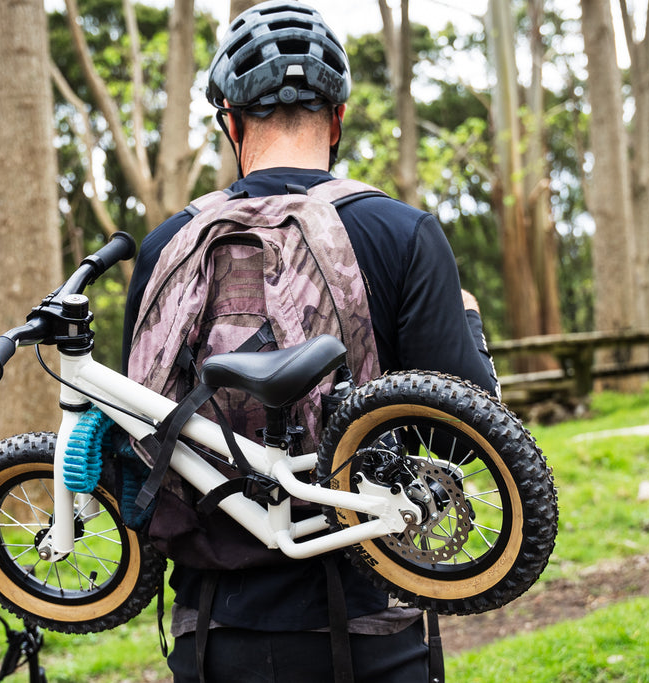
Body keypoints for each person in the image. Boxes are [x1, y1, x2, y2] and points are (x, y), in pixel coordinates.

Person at [121, 2, 499, 681]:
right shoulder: (403, 233)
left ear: (231, 122)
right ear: (338, 118)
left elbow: (140, 433)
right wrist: (467, 323)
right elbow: (466, 436)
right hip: (371, 625)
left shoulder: (168, 247)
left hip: (214, 629)